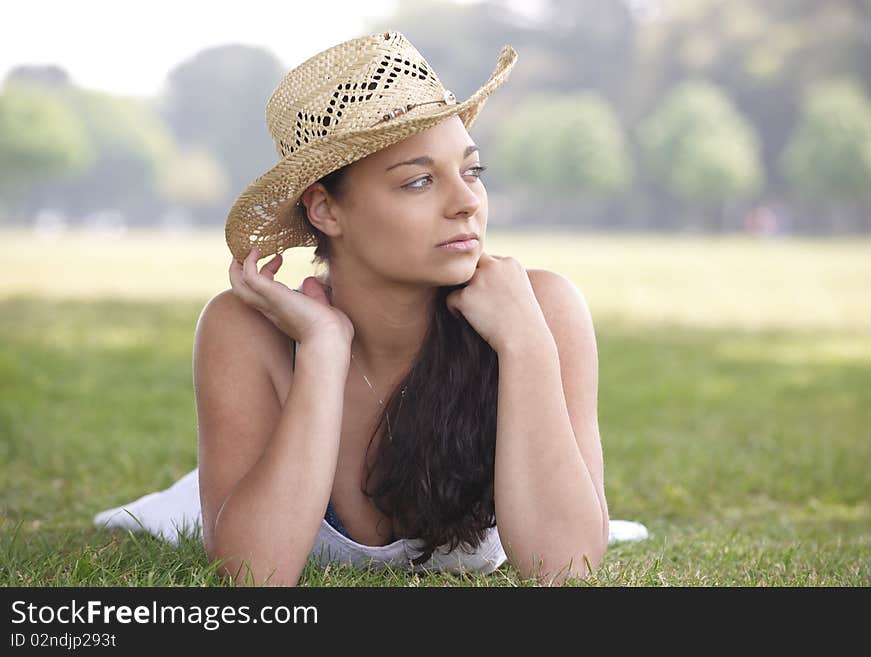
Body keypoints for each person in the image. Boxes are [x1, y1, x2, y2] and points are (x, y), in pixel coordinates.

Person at [93, 30, 648, 587]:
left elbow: (563, 568)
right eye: (419, 181)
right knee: (182, 512)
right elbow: (254, 576)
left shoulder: (540, 309)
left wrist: (526, 343)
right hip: (236, 491)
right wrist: (322, 351)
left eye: (471, 170)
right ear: (326, 210)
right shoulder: (247, 331)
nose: (466, 203)